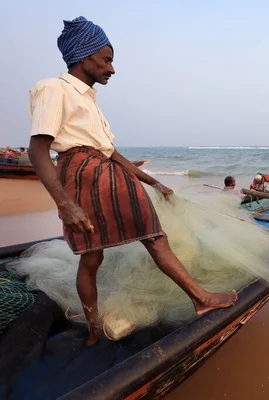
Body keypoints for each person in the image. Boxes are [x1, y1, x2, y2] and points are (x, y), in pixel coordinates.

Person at [28, 16, 237, 346]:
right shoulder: (54, 89)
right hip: (83, 178)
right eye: (106, 60)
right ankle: (95, 328)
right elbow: (38, 149)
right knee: (94, 256)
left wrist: (156, 183)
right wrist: (65, 206)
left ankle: (199, 298)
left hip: (105, 172)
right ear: (84, 56)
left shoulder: (89, 101)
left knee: (152, 236)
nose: (112, 69)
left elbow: (113, 154)